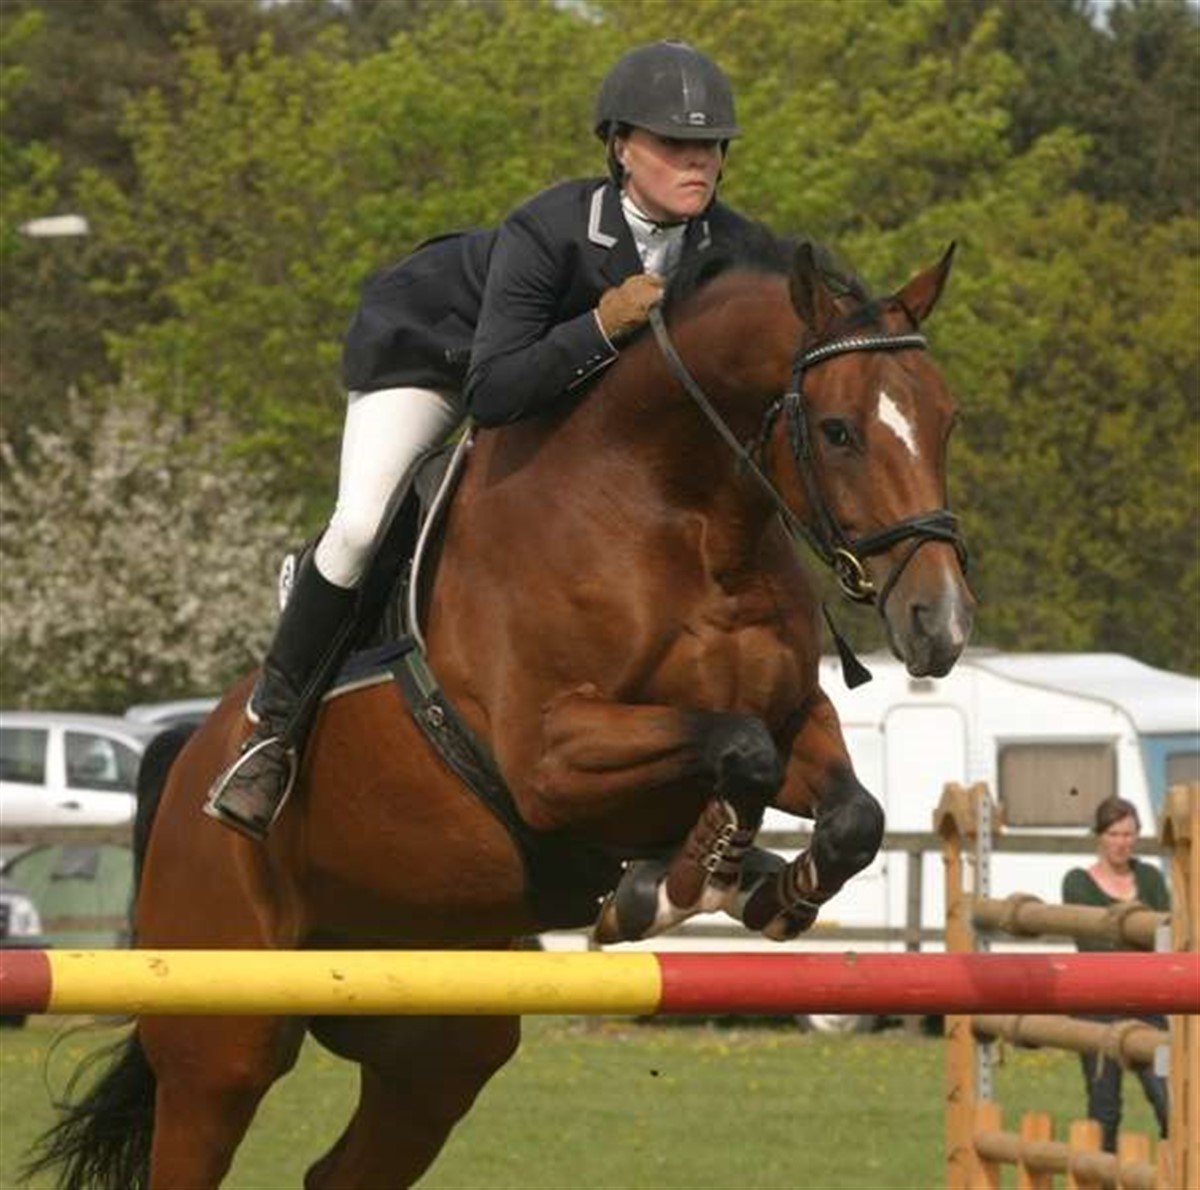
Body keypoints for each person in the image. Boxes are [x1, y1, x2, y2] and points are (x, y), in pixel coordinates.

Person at [205, 40, 775, 842]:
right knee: (363, 524)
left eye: (710, 145)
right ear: (621, 147)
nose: (698, 161)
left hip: (558, 378)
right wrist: (601, 325)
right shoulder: (550, 228)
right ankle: (274, 724)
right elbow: (494, 392)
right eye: (675, 143)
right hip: (435, 353)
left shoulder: (732, 244)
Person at [1061, 795, 1170, 1152]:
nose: (1122, 842)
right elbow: (1092, 946)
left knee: (1170, 1099)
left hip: (1147, 1005)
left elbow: (1166, 937)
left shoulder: (1150, 878)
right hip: (1098, 1006)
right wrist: (1140, 946)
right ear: (1099, 836)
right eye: (1114, 834)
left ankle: (1179, 1172)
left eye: (1129, 834)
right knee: (1105, 1109)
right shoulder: (1078, 882)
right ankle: (1102, 1174)